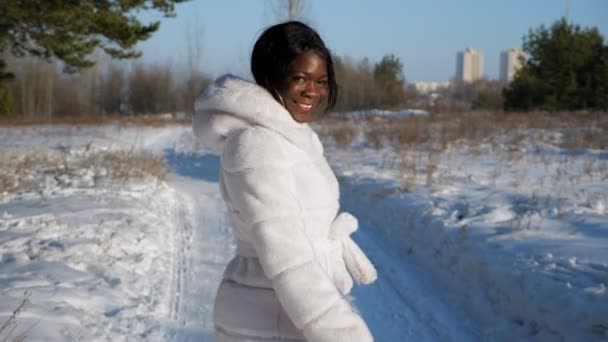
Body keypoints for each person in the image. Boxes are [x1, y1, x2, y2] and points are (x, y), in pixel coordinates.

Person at [192, 21, 377, 341]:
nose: (313, 91)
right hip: (270, 321)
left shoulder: (288, 139)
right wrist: (346, 334)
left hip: (284, 313)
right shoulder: (258, 147)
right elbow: (289, 258)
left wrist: (329, 245)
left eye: (321, 81)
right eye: (300, 78)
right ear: (269, 76)